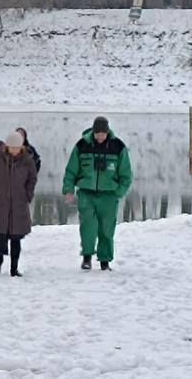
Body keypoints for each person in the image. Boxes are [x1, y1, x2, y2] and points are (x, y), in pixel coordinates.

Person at [62, 116, 133, 271]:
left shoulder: (118, 147)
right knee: (88, 226)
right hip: (87, 194)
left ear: (107, 132)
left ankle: (105, 260)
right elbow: (71, 171)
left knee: (106, 229)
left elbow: (126, 175)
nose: (100, 137)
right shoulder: (82, 145)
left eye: (103, 134)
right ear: (93, 132)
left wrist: (118, 192)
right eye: (97, 134)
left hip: (109, 195)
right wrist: (68, 189)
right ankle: (87, 257)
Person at [0, 132, 37, 277]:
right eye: (11, 147)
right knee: (0, 235)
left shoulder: (27, 160)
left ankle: (14, 268)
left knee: (16, 237)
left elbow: (32, 178)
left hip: (19, 202)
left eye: (16, 147)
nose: (14, 150)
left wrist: (28, 194)